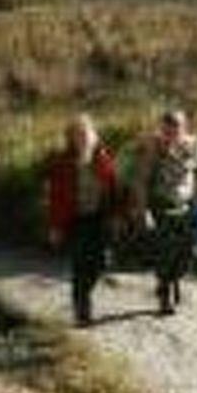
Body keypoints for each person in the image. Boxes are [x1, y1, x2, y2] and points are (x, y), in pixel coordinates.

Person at [45, 114, 119, 327]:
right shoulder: (62, 163)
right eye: (77, 135)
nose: (82, 139)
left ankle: (83, 295)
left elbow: (114, 189)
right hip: (75, 220)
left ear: (94, 136)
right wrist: (55, 227)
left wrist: (117, 216)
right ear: (70, 138)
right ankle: (82, 309)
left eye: (85, 134)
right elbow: (55, 197)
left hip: (99, 218)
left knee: (100, 262)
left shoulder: (103, 158)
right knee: (80, 265)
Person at [138, 106, 197, 316]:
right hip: (162, 205)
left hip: (187, 205)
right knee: (166, 252)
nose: (171, 133)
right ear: (162, 129)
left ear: (183, 127)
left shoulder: (193, 144)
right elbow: (142, 181)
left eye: (176, 127)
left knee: (187, 252)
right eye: (167, 129)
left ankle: (174, 279)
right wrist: (144, 210)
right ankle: (165, 292)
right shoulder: (154, 148)